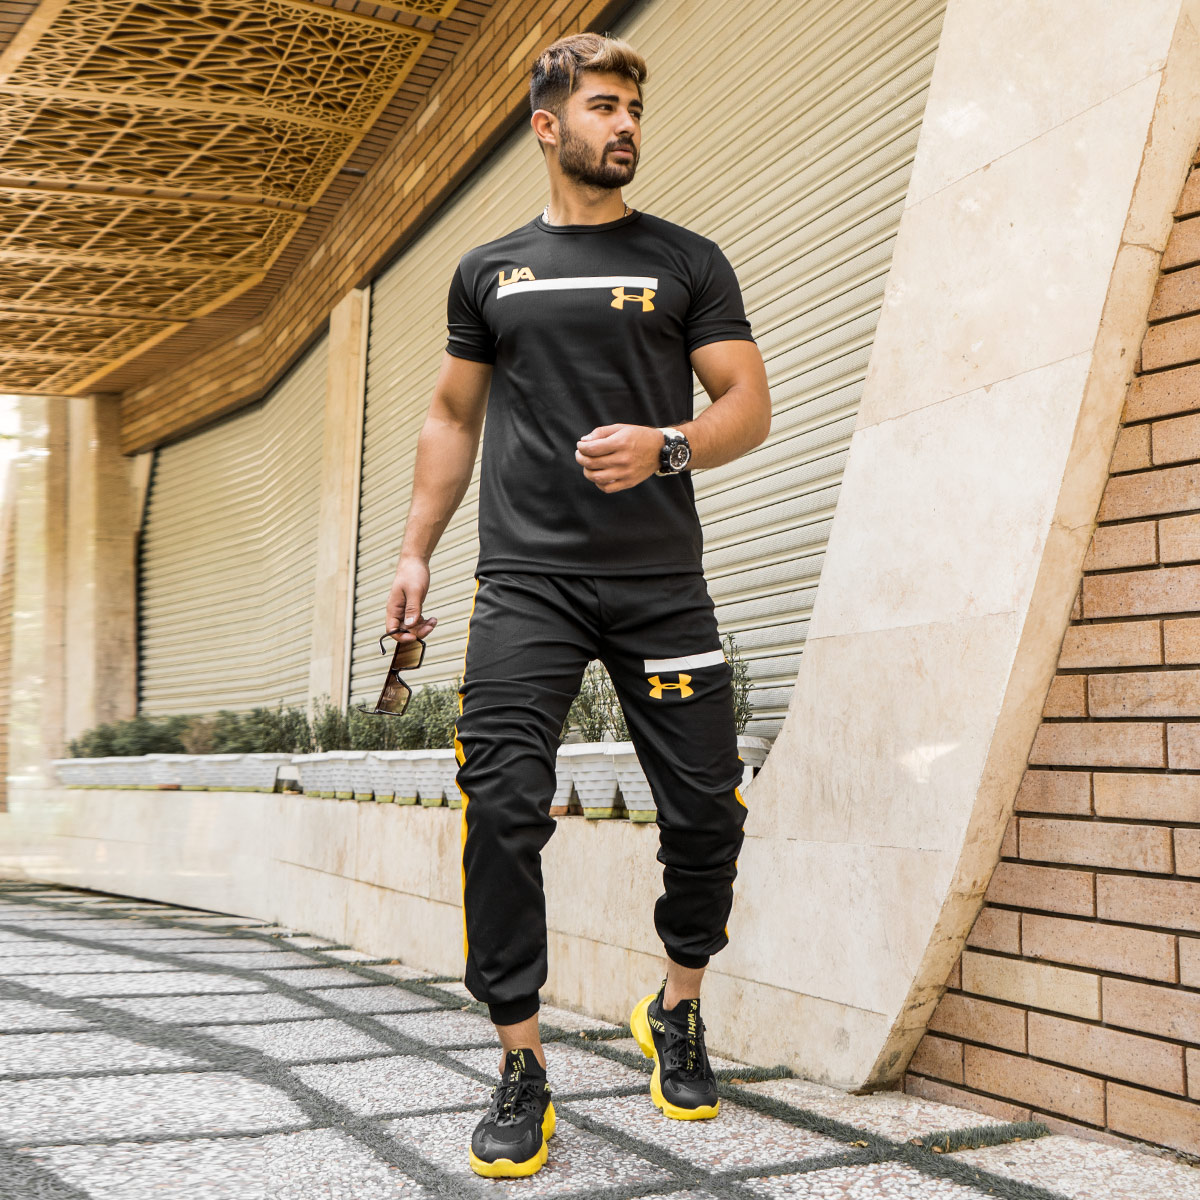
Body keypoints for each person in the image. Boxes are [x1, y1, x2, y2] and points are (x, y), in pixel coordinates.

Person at [384, 31, 771, 1179]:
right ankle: (522, 1062)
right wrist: (413, 554)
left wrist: (668, 445)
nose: (627, 125)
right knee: (502, 806)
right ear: (548, 126)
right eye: (604, 107)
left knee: (706, 814)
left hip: (660, 585)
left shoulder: (687, 261)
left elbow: (746, 404)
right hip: (527, 584)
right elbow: (452, 415)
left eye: (633, 108)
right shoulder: (488, 271)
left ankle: (677, 1005)